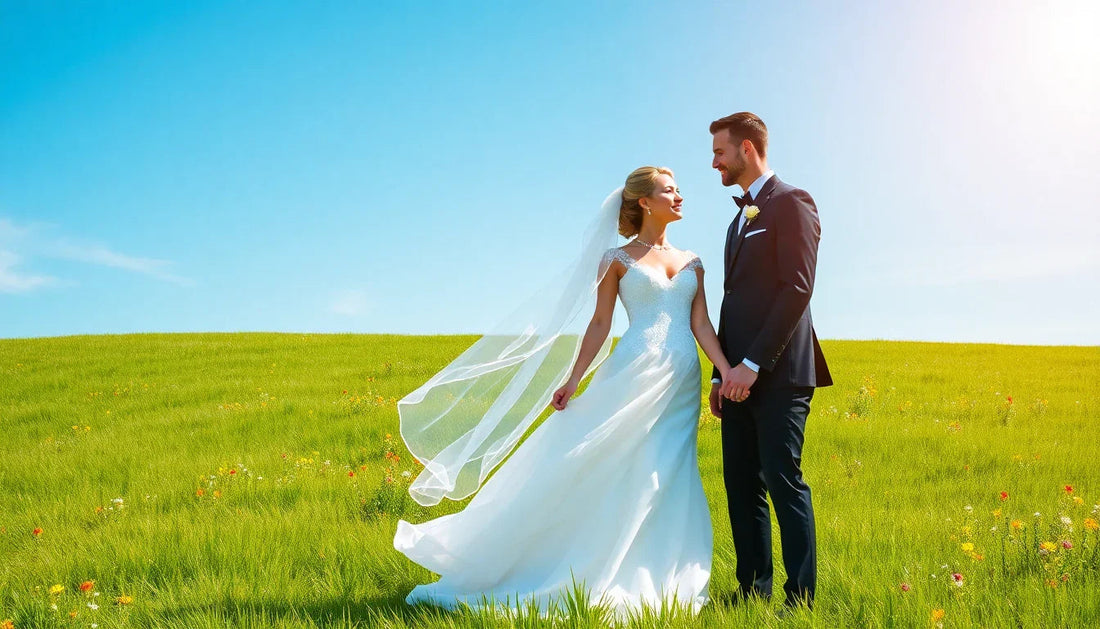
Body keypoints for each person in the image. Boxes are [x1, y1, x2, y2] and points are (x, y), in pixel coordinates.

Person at [393, 166, 734, 617]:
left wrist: (725, 371)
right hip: (634, 369)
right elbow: (599, 324)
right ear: (645, 203)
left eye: (678, 190)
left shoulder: (694, 261)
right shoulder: (616, 258)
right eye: (670, 190)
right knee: (614, 462)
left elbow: (701, 324)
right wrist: (574, 378)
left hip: (682, 377)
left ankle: (660, 571)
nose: (680, 196)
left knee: (667, 468)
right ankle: (582, 562)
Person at [708, 112, 832, 610]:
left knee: (783, 479)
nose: (713, 161)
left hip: (779, 374)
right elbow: (732, 302)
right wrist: (722, 375)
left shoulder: (792, 203)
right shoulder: (737, 220)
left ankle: (800, 599)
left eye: (719, 151)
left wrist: (753, 365)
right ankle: (751, 590)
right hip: (735, 379)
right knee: (740, 483)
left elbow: (797, 289)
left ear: (747, 150)